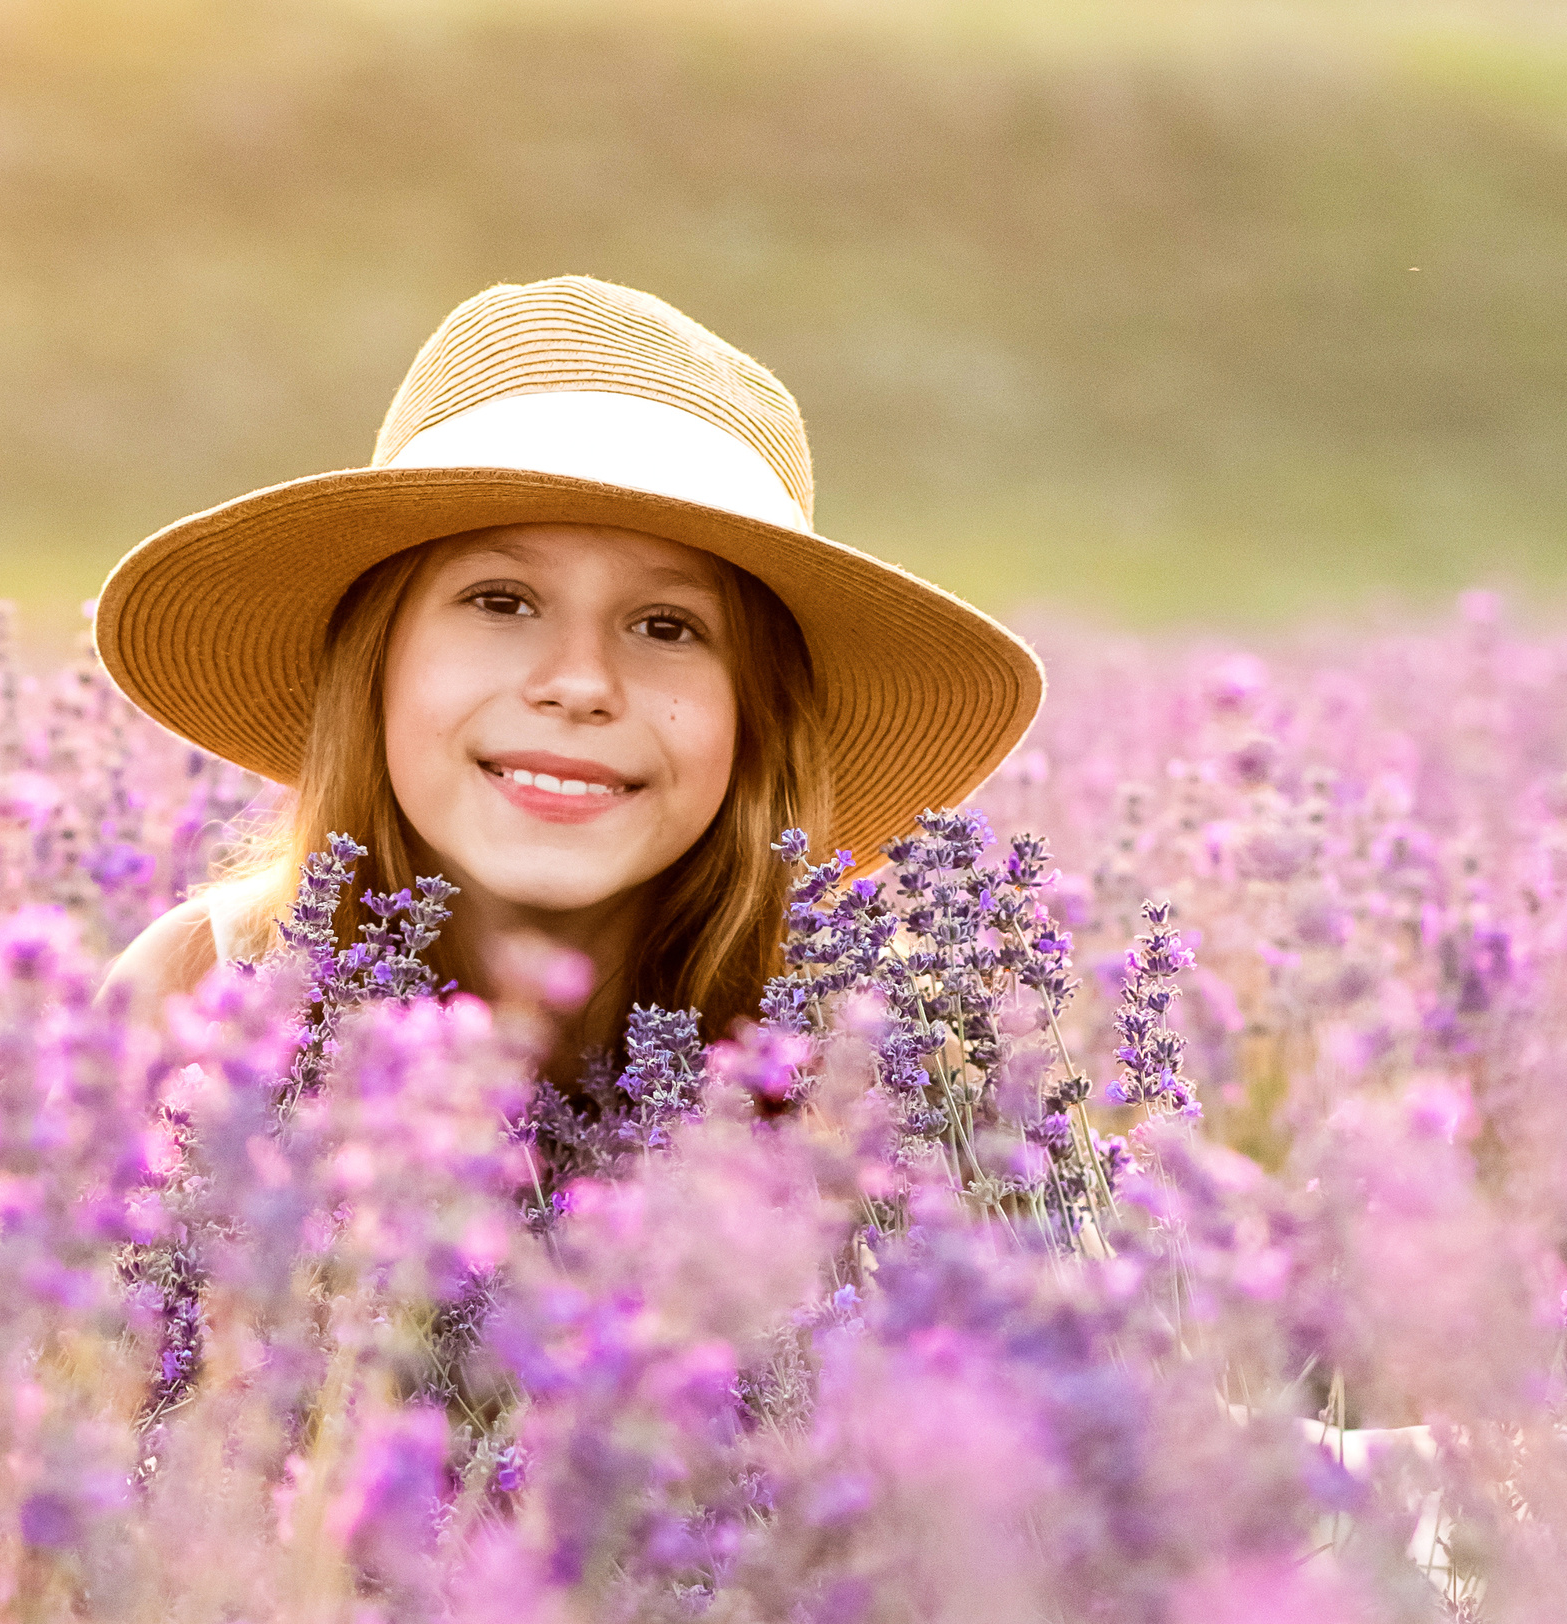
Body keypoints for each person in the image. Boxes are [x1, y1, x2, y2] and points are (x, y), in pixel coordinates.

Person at [93, 276, 1044, 1074]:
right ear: (376, 663)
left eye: (667, 625)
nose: (580, 682)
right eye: (502, 602)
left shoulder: (873, 1058)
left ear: (756, 715)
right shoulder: (196, 998)